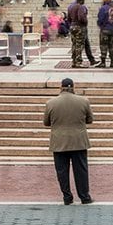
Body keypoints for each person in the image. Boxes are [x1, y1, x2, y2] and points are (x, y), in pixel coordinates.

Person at [44, 77, 94, 205]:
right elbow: (89, 120)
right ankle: (84, 197)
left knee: (62, 171)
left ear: (61, 87)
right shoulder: (84, 101)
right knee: (81, 170)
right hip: (78, 141)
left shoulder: (51, 103)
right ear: (73, 87)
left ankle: (67, 197)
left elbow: (46, 122)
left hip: (59, 142)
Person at [96, 0, 113, 68]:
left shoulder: (103, 8)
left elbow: (100, 19)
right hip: (112, 30)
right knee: (111, 46)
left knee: (103, 45)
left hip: (104, 29)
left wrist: (101, 25)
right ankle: (112, 62)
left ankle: (103, 62)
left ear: (105, 1)